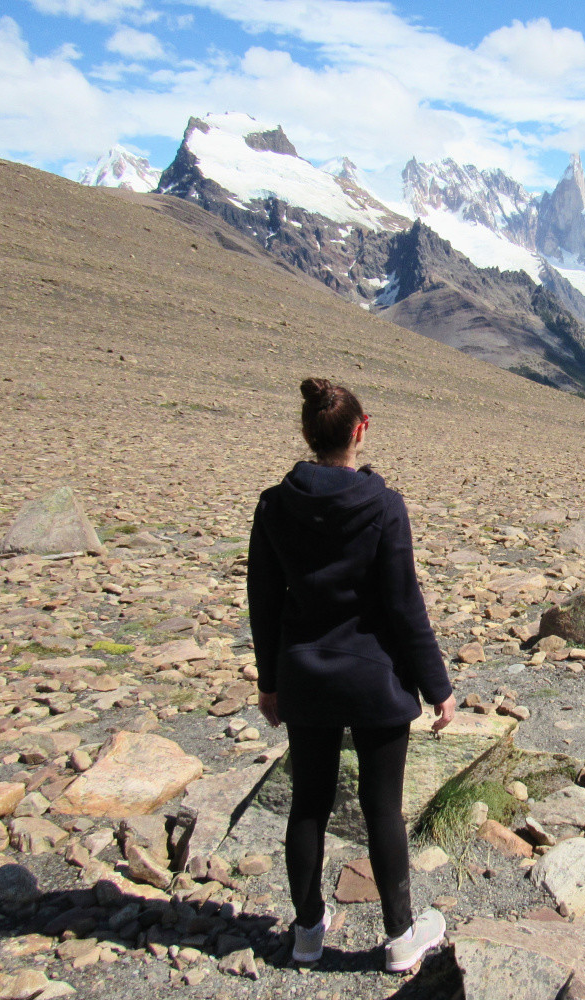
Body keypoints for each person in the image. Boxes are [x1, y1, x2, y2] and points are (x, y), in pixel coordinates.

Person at [247, 377, 456, 972]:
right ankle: (399, 939)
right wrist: (437, 687)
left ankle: (308, 932)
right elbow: (403, 604)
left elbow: (263, 599)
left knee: (308, 804)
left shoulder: (273, 504)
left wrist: (270, 680)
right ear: (361, 430)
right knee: (382, 809)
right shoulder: (383, 506)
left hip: (306, 676)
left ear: (307, 434)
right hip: (377, 679)